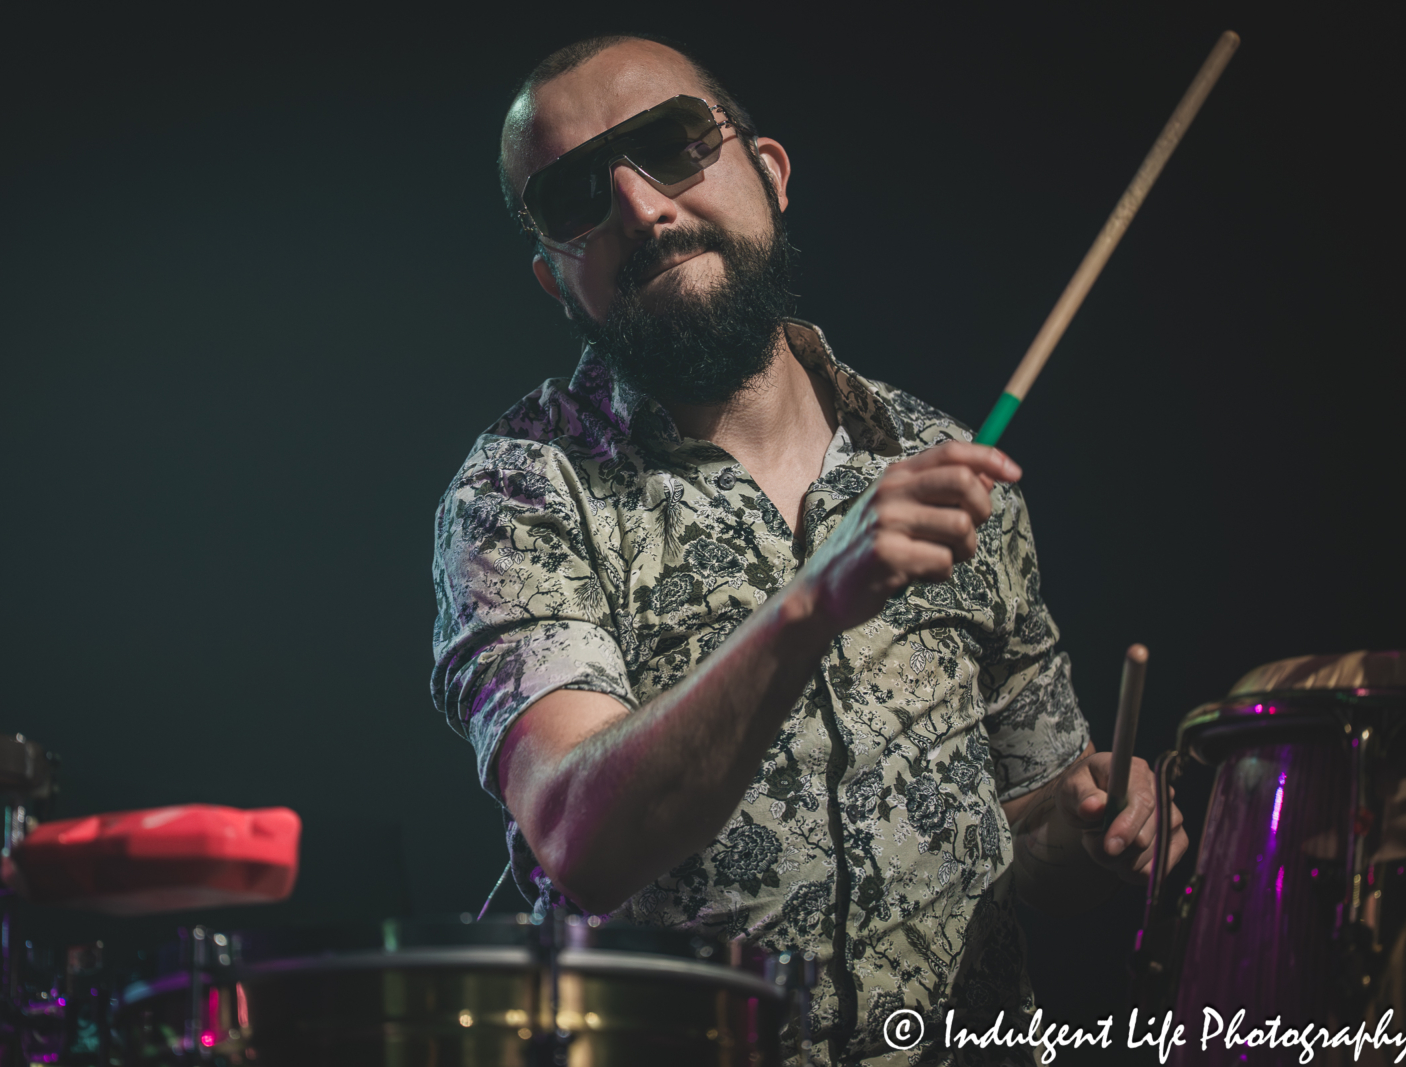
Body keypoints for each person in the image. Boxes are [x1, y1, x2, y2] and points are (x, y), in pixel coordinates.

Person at [431, 33, 1187, 1065]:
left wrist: (1093, 820)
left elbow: (1028, 837)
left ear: (770, 172)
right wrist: (812, 600)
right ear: (554, 278)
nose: (642, 209)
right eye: (575, 198)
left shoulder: (945, 463)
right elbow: (578, 836)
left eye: (671, 146)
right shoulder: (520, 486)